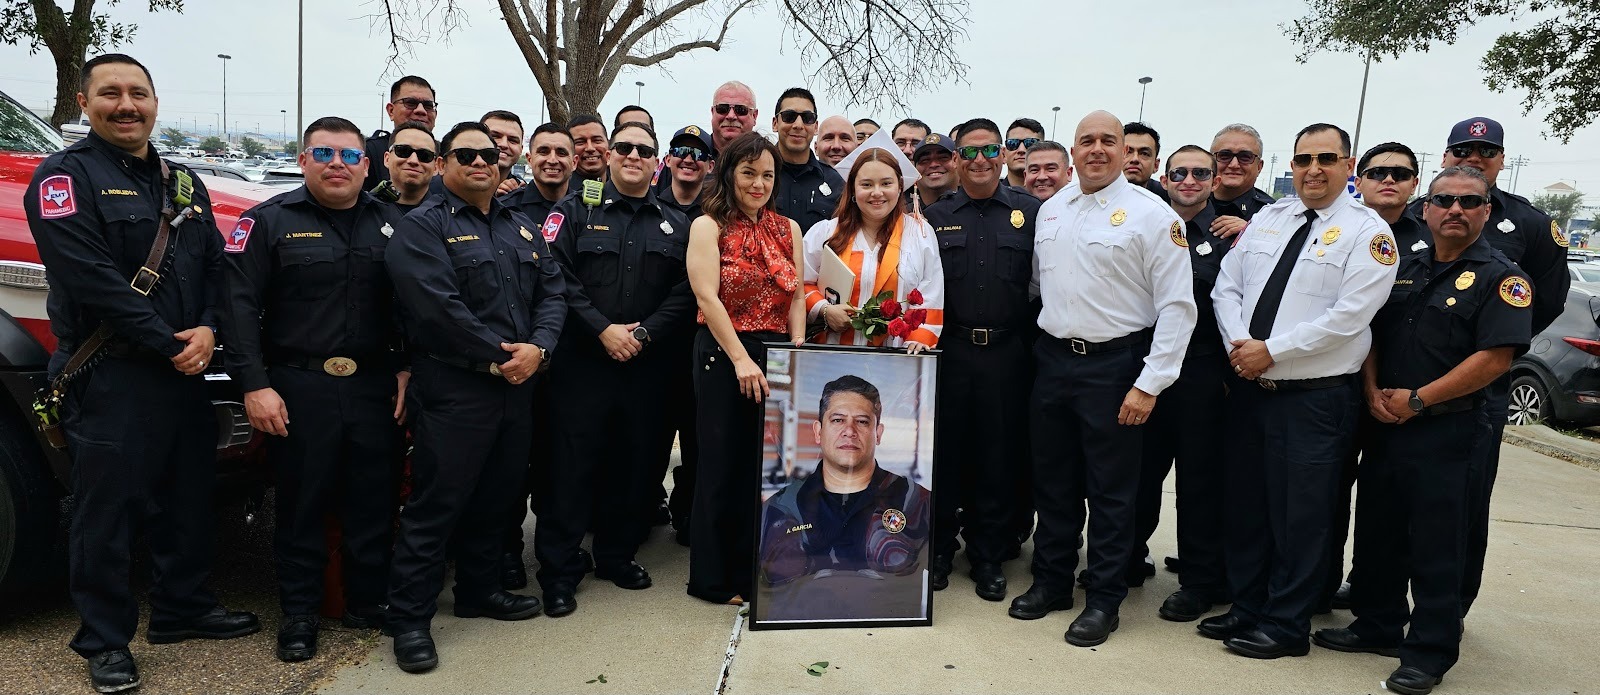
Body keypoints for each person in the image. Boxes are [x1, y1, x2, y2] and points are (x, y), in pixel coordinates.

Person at [25, 53, 259, 693]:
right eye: (110, 94)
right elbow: (89, 279)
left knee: (187, 495)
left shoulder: (183, 183)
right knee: (108, 510)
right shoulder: (62, 179)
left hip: (183, 369)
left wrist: (209, 329)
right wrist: (168, 341)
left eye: (138, 93)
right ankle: (102, 640)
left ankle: (181, 608)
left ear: (155, 103)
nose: (126, 105)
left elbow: (216, 268)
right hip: (111, 371)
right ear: (84, 102)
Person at [1315, 166, 1531, 695]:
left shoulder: (1503, 278)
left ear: (1486, 211)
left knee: (1438, 544)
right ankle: (1377, 624)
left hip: (1449, 430)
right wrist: (1371, 393)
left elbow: (1496, 357)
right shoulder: (1403, 268)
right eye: (1444, 201)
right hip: (1387, 422)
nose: (1454, 210)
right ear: (1426, 209)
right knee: (1379, 531)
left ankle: (1429, 652)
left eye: (1468, 202)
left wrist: (1418, 400)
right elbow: (1371, 334)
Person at [1203, 123, 1398, 659]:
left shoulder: (1368, 233)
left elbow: (1350, 317)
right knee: (1247, 507)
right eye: (1303, 159)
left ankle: (1286, 624)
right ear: (1291, 165)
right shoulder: (1269, 218)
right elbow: (1227, 286)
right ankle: (1247, 606)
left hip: (1312, 397)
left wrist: (1274, 350)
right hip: (1251, 386)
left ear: (1348, 164)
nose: (1313, 169)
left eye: (1327, 158)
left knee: (1301, 517)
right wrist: (1240, 344)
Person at [220, 115, 407, 662]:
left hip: (374, 385)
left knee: (374, 499)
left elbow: (412, 307)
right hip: (299, 387)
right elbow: (237, 310)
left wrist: (406, 367)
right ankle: (300, 614)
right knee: (302, 504)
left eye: (349, 157)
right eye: (323, 154)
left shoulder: (393, 224)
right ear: (303, 161)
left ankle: (367, 601)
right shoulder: (267, 223)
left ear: (367, 166)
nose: (336, 165)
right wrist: (254, 386)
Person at [383, 121, 566, 673]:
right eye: (467, 155)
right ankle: (409, 619)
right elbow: (438, 308)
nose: (482, 163)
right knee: (437, 505)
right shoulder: (423, 228)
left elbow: (553, 291)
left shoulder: (523, 228)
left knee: (498, 497)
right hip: (457, 387)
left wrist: (539, 348)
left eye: (489, 155)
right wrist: (505, 355)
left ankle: (479, 591)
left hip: (517, 387)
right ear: (444, 164)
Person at [1017, 111, 1194, 649]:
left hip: (1116, 366)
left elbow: (1177, 309)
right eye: (1086, 141)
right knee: (1054, 481)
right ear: (1074, 151)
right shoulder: (1051, 210)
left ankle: (1104, 598)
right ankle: (1051, 582)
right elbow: (1038, 288)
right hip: (1053, 361)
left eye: (1107, 141)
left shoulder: (1152, 215)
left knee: (1112, 491)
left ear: (1125, 152)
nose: (1097, 149)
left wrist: (1149, 384)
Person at [1404, 117, 1568, 620]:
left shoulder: (1531, 224)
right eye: (1462, 149)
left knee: (1461, 507)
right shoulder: (1414, 215)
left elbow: (1547, 299)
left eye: (1486, 151)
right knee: (1390, 501)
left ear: (1501, 159)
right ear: (1447, 155)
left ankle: (1450, 607)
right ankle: (1375, 598)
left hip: (1478, 389)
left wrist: (1492, 343)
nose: (1473, 158)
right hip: (1401, 385)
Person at [536, 122, 693, 616]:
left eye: (644, 150)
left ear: (656, 161)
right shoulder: (573, 211)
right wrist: (602, 329)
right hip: (581, 367)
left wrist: (641, 334)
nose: (632, 155)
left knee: (636, 467)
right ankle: (559, 572)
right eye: (623, 147)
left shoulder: (676, 223)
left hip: (645, 369)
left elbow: (687, 293)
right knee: (570, 470)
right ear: (607, 155)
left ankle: (615, 556)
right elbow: (554, 275)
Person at [685, 132, 807, 605]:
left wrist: (796, 346)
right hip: (724, 352)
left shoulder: (787, 228)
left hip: (777, 352)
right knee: (722, 466)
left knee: (766, 471)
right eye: (748, 173)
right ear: (730, 173)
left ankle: (755, 568)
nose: (758, 183)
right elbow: (706, 296)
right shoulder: (708, 225)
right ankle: (713, 579)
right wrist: (739, 358)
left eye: (767, 175)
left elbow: (796, 294)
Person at [923, 117, 1042, 601]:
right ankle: (935, 551)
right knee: (944, 455)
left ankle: (988, 555)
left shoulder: (1030, 213)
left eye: (989, 150)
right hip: (948, 352)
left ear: (1003, 154)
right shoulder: (934, 217)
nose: (978, 160)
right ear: (955, 159)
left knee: (998, 458)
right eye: (968, 152)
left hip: (1007, 353)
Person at [1321, 141, 1426, 612]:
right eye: (1377, 171)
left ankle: (1374, 593)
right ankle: (1319, 586)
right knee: (1326, 495)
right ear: (1356, 179)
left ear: (1414, 184)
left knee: (1389, 505)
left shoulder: (1430, 241)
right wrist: (1365, 385)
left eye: (1401, 174)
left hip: (1404, 397)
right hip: (1342, 383)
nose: (1389, 180)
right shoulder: (1330, 229)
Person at [1130, 145, 1232, 621]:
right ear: (1164, 178)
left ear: (1214, 181)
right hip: (1144, 368)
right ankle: (1128, 557)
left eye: (1199, 173)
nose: (1188, 180)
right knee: (1139, 473)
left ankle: (1199, 580)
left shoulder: (1235, 236)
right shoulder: (1146, 224)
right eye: (1179, 172)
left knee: (1200, 481)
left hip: (1201, 373)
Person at [756, 375, 933, 622]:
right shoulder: (779, 510)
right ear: (818, 431)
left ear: (878, 433)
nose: (849, 431)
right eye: (837, 420)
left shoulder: (917, 502)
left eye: (862, 422)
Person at [495, 121, 577, 591]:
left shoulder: (585, 210)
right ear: (529, 156)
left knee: (556, 466)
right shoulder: (506, 209)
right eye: (542, 150)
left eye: (560, 152)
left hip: (565, 362)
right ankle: (507, 554)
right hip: (517, 361)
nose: (552, 159)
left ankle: (555, 555)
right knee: (511, 468)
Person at [802, 147, 944, 351]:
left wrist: (919, 339)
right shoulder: (825, 232)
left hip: (895, 358)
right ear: (852, 188)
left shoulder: (919, 234)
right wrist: (824, 309)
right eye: (866, 184)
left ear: (899, 186)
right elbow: (802, 284)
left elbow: (931, 292)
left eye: (886, 183)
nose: (877, 193)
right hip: (831, 355)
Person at [772, 87, 844, 234]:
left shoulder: (835, 182)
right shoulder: (756, 176)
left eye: (807, 118)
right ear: (775, 123)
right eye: (789, 116)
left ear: (816, 127)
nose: (798, 125)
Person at [364, 75, 438, 190]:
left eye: (428, 106)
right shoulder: (369, 151)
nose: (421, 110)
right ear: (391, 111)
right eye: (410, 103)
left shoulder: (452, 157)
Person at [1208, 123, 1275, 236]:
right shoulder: (1189, 202)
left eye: (1245, 157)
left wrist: (1253, 232)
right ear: (1210, 161)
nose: (1234, 165)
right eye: (1224, 156)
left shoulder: (1272, 215)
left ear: (1259, 166)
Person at [661, 125, 715, 220]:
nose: (688, 160)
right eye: (681, 151)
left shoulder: (718, 213)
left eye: (698, 154)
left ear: (710, 166)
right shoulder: (652, 209)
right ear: (668, 160)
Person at [383, 121, 439, 213]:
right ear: (387, 159)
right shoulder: (363, 211)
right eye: (403, 151)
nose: (413, 160)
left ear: (436, 167)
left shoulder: (449, 218)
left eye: (425, 155)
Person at [909, 134, 959, 209]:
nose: (933, 165)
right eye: (925, 160)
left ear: (957, 162)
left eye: (943, 158)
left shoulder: (977, 209)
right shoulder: (900, 215)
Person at [482, 110, 526, 195]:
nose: (504, 144)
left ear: (521, 149)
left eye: (512, 140)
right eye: (495, 136)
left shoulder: (525, 197)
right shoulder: (454, 188)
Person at [709, 81, 759, 152]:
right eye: (722, 108)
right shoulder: (692, 154)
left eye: (740, 109)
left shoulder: (768, 158)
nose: (731, 116)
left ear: (754, 116)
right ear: (712, 112)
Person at [1124, 122, 1167, 202]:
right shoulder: (1094, 190)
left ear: (1156, 165)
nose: (1135, 159)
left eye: (1144, 153)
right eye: (1127, 152)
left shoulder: (1167, 200)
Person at [568, 114, 610, 186]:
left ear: (609, 145)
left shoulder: (626, 189)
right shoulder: (559, 193)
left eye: (597, 140)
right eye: (580, 142)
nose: (590, 148)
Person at [1004, 118, 1045, 190]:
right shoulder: (987, 196)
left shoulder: (1058, 197)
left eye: (1030, 143)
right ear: (1004, 153)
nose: (1021, 150)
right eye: (1013, 143)